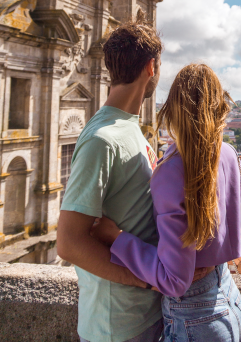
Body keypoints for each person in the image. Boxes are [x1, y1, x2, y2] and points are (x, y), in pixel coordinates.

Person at [91, 64, 241, 342]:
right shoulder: (228, 153)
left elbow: (175, 281)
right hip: (231, 300)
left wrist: (116, 238)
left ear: (173, 107)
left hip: (195, 318)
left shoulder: (173, 171)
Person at [57, 21, 165, 342]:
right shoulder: (102, 139)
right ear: (151, 67)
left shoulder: (130, 128)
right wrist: (143, 280)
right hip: (116, 326)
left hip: (145, 316)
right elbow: (69, 243)